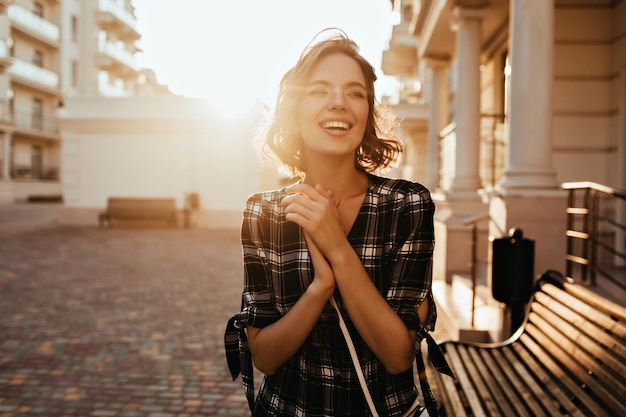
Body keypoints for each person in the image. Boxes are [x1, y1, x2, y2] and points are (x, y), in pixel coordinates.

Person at [225, 29, 449, 416]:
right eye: (319, 90)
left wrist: (336, 246)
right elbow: (263, 357)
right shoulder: (263, 213)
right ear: (295, 109)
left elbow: (398, 355)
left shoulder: (406, 204)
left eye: (355, 92)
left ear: (367, 113)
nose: (339, 104)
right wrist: (320, 286)